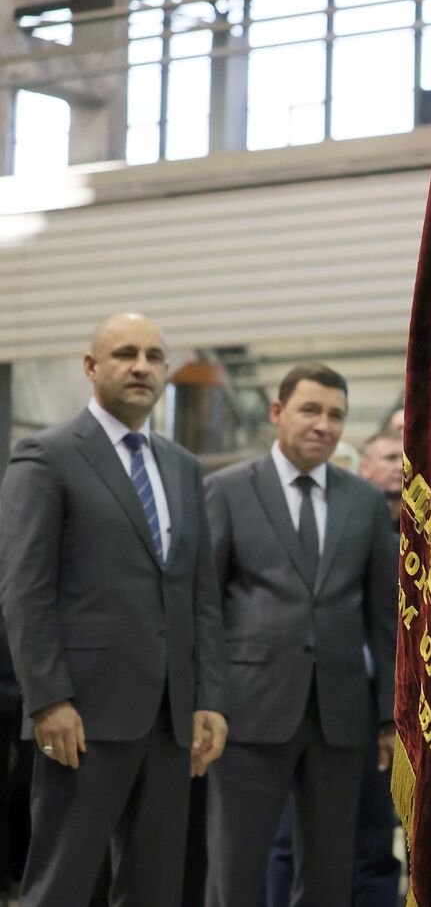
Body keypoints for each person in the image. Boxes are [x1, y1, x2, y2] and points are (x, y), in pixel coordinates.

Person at [0, 313, 227, 906]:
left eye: (154, 356)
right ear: (91, 367)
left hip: (170, 720)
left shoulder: (181, 465)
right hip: (82, 716)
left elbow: (198, 594)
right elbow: (25, 590)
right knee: (62, 883)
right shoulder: (46, 456)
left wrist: (207, 698)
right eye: (125, 353)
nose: (141, 367)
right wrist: (47, 699)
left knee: (154, 888)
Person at [203, 364, 397, 907]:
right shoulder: (225, 492)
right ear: (276, 413)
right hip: (246, 714)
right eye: (310, 410)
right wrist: (206, 702)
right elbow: (204, 608)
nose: (323, 425)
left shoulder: (362, 501)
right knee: (235, 866)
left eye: (335, 414)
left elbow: (383, 617)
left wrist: (387, 715)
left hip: (340, 718)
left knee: (330, 871)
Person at [358, 431, 404, 520]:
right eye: (391, 458)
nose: (400, 466)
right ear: (365, 468)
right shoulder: (350, 517)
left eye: (405, 459)